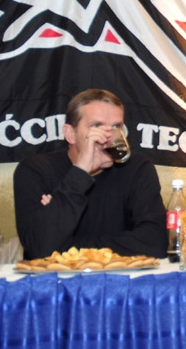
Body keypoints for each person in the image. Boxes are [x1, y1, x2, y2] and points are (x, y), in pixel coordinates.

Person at [13, 89, 167, 260]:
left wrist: (65, 248)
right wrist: (80, 173)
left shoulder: (137, 168)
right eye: (96, 126)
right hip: (56, 277)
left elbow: (155, 243)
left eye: (116, 127)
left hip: (123, 275)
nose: (108, 136)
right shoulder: (35, 170)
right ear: (70, 134)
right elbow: (39, 248)